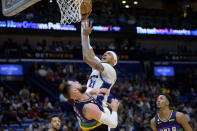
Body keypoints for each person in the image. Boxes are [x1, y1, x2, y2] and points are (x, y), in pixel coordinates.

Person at [81, 20, 118, 107]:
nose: (105, 54)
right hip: (87, 102)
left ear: (114, 61)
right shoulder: (100, 67)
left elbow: (86, 58)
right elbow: (89, 49)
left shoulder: (110, 69)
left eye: (109, 54)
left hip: (98, 105)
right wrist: (83, 23)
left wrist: (85, 35)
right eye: (105, 53)